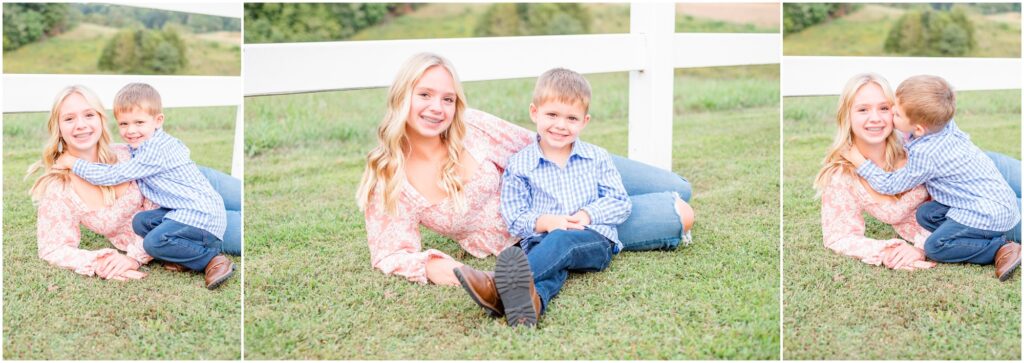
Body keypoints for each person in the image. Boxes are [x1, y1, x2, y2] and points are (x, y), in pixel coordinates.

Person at [356, 52, 695, 288]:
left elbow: (528, 142)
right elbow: (392, 253)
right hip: (545, 230)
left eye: (448, 99)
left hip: (569, 165)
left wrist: (585, 170)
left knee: (679, 186)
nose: (437, 108)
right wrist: (460, 272)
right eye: (425, 94)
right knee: (680, 212)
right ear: (402, 96)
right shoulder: (389, 178)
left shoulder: (472, 126)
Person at [474, 68, 626, 327]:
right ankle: (532, 306)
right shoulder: (520, 164)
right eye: (552, 114)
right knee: (550, 266)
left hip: (591, 239)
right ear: (535, 112)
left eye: (571, 118)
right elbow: (515, 217)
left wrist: (586, 215)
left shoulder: (597, 156)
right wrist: (547, 222)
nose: (560, 125)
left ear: (585, 121)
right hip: (541, 241)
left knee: (561, 241)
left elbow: (621, 203)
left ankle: (496, 288)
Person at [53, 83, 236, 289]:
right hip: (185, 205)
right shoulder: (137, 147)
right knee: (142, 222)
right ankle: (181, 257)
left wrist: (74, 163)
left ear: (158, 121)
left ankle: (213, 259)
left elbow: (115, 174)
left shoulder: (155, 150)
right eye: (123, 124)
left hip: (200, 213)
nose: (131, 130)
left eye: (139, 122)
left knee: (154, 242)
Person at [842, 75, 1021, 281]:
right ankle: (979, 234)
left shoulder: (926, 154)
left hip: (987, 211)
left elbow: (890, 185)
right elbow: (931, 100)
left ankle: (1000, 247)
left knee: (935, 246)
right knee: (926, 214)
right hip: (983, 191)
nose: (891, 113)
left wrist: (860, 162)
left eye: (896, 113)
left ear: (918, 128)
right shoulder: (940, 122)